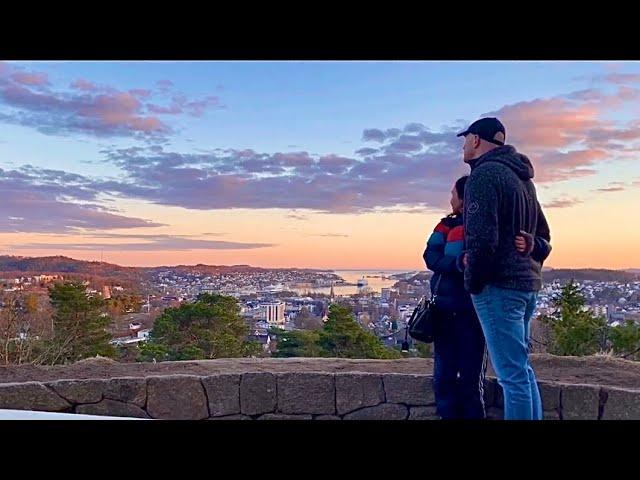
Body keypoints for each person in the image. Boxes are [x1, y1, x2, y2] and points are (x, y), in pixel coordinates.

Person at [457, 117, 552, 420]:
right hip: (526, 284)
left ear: (475, 140)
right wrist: (531, 246)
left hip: (499, 286)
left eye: (465, 138)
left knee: (512, 376)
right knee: (521, 370)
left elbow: (482, 239)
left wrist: (472, 281)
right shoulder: (524, 180)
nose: (463, 145)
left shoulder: (484, 176)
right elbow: (544, 238)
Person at [423, 174, 536, 419]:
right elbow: (430, 257)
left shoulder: (484, 225)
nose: (450, 198)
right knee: (443, 375)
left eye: (453, 194)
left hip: (473, 310)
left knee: (471, 378)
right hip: (444, 309)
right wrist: (456, 263)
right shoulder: (444, 226)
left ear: (464, 198)